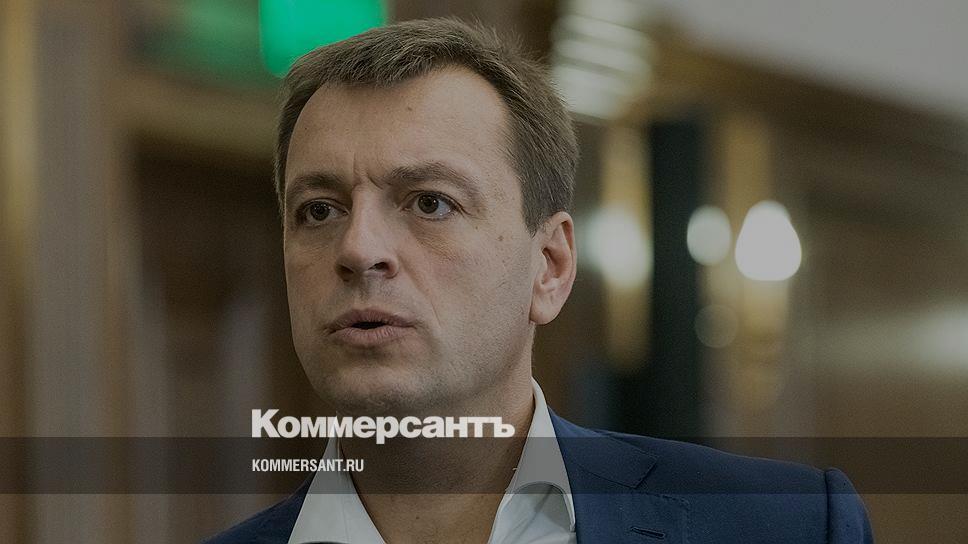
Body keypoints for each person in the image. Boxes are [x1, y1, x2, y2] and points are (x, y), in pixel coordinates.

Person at [204, 17, 873, 544]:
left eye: (430, 202)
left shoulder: (783, 526)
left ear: (550, 266)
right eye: (319, 211)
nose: (358, 249)